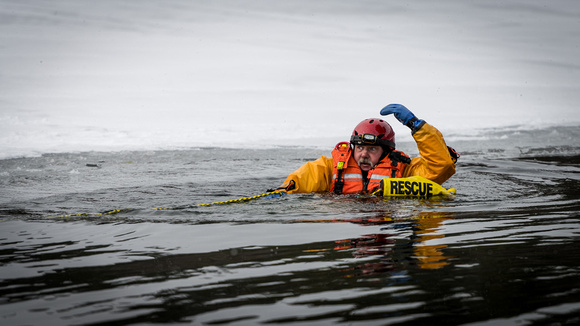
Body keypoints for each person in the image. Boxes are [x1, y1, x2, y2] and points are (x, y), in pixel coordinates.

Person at [274, 104, 458, 194]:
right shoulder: (331, 168)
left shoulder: (405, 171)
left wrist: (416, 126)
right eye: (360, 147)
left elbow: (440, 167)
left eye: (372, 150)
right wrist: (283, 190)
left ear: (386, 152)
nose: (363, 154)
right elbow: (306, 176)